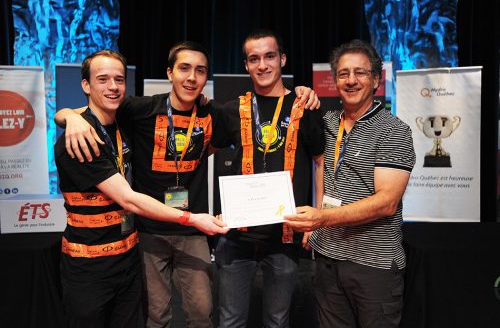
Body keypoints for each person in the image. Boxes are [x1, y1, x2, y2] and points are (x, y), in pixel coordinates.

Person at [55, 41, 320, 328]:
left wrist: (304, 92)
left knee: (201, 313)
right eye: (184, 69)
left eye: (200, 71)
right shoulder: (140, 108)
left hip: (194, 230)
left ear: (207, 78)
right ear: (170, 73)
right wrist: (68, 115)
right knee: (157, 315)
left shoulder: (212, 114)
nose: (191, 77)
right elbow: (98, 108)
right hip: (148, 230)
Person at [55, 50, 227, 328]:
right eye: (103, 79)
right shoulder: (79, 139)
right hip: (90, 265)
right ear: (86, 85)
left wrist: (67, 114)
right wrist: (68, 117)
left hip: (127, 257)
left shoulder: (123, 124)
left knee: (191, 313)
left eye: (119, 80)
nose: (113, 86)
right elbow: (129, 199)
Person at [285, 39, 416, 328]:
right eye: (343, 74)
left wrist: (322, 217)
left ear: (376, 79)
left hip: (373, 266)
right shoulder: (328, 122)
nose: (351, 80)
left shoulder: (394, 131)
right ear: (334, 81)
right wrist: (303, 93)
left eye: (360, 73)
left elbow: (386, 203)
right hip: (328, 259)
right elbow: (321, 166)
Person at [211, 29, 325, 328]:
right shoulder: (231, 109)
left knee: (277, 321)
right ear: (246, 65)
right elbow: (209, 153)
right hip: (236, 236)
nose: (262, 65)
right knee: (230, 321)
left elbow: (320, 162)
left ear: (282, 59)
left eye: (269, 56)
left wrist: (319, 216)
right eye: (254, 59)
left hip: (284, 237)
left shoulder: (306, 106)